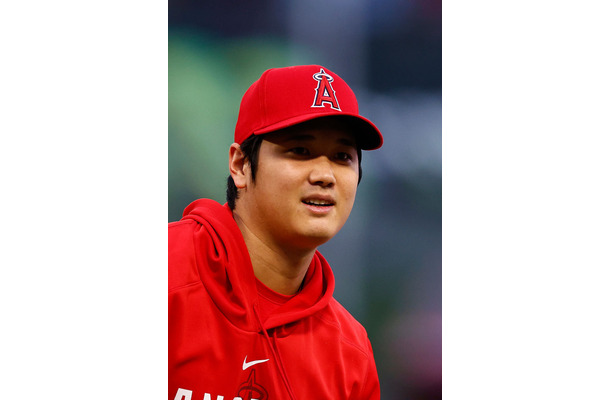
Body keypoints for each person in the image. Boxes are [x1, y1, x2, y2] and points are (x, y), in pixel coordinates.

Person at [169, 65, 384, 400]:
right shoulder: (168, 271)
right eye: (300, 151)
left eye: (343, 157)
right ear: (240, 165)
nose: (325, 175)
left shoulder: (350, 353)